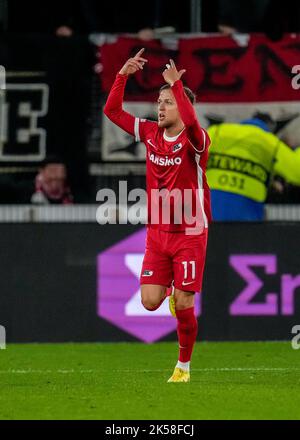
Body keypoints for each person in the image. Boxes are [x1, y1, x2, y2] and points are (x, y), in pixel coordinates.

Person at [104, 49, 211, 383]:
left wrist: (177, 85)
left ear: (182, 105)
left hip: (190, 232)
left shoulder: (196, 140)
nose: (160, 107)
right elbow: (112, 111)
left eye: (167, 101)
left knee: (184, 301)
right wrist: (122, 75)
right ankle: (170, 293)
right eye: (159, 102)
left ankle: (183, 367)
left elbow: (193, 122)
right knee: (150, 301)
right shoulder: (150, 133)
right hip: (158, 232)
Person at [207, 113, 300, 221]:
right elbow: (297, 171)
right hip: (245, 222)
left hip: (204, 220)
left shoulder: (217, 131)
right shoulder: (270, 142)